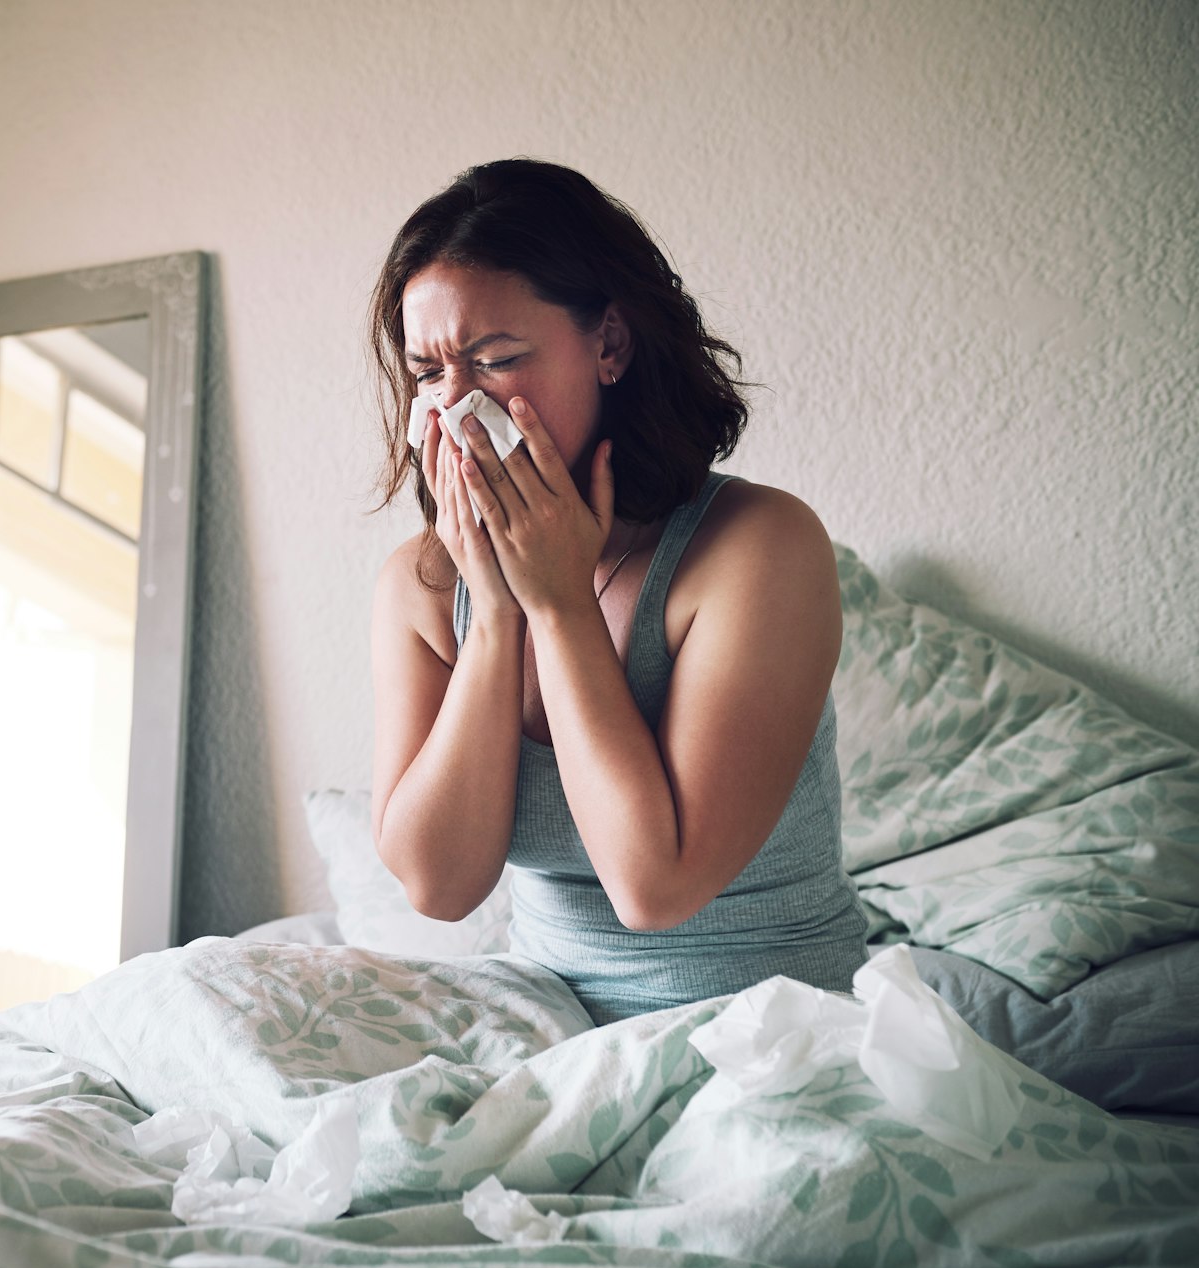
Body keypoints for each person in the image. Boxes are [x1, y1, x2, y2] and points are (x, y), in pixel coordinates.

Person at [368, 159, 866, 1024]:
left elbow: (653, 884)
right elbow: (438, 887)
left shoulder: (759, 549)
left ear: (608, 345)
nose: (453, 411)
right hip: (550, 1037)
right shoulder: (423, 582)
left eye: (493, 362)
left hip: (764, 1033)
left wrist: (558, 605)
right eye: (427, 374)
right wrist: (495, 614)